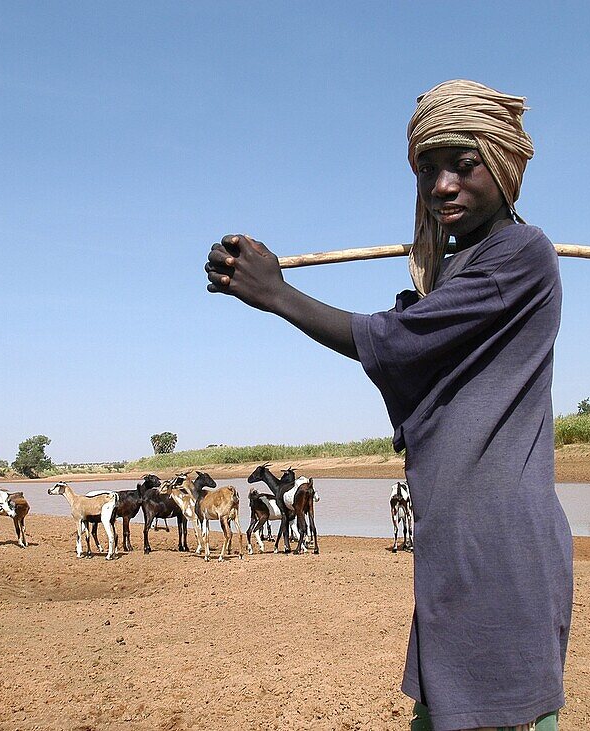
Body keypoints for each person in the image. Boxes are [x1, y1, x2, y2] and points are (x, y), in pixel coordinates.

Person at [205, 79, 570, 731]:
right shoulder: (459, 272)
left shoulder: (523, 254)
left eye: (464, 164)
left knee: (507, 711)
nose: (442, 186)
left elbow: (399, 344)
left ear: (505, 165)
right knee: (443, 708)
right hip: (452, 540)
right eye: (427, 169)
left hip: (500, 543)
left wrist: (276, 294)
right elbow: (419, 341)